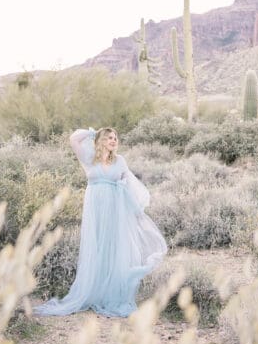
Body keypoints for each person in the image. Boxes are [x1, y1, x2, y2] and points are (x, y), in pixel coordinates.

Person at [35, 127, 167, 318]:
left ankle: (109, 294)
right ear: (101, 140)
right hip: (95, 210)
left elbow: (129, 185)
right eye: (110, 138)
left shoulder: (120, 161)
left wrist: (135, 211)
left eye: (116, 137)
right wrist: (91, 133)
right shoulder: (89, 158)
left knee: (112, 248)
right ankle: (93, 292)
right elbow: (73, 139)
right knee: (96, 246)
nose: (114, 141)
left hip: (115, 210)